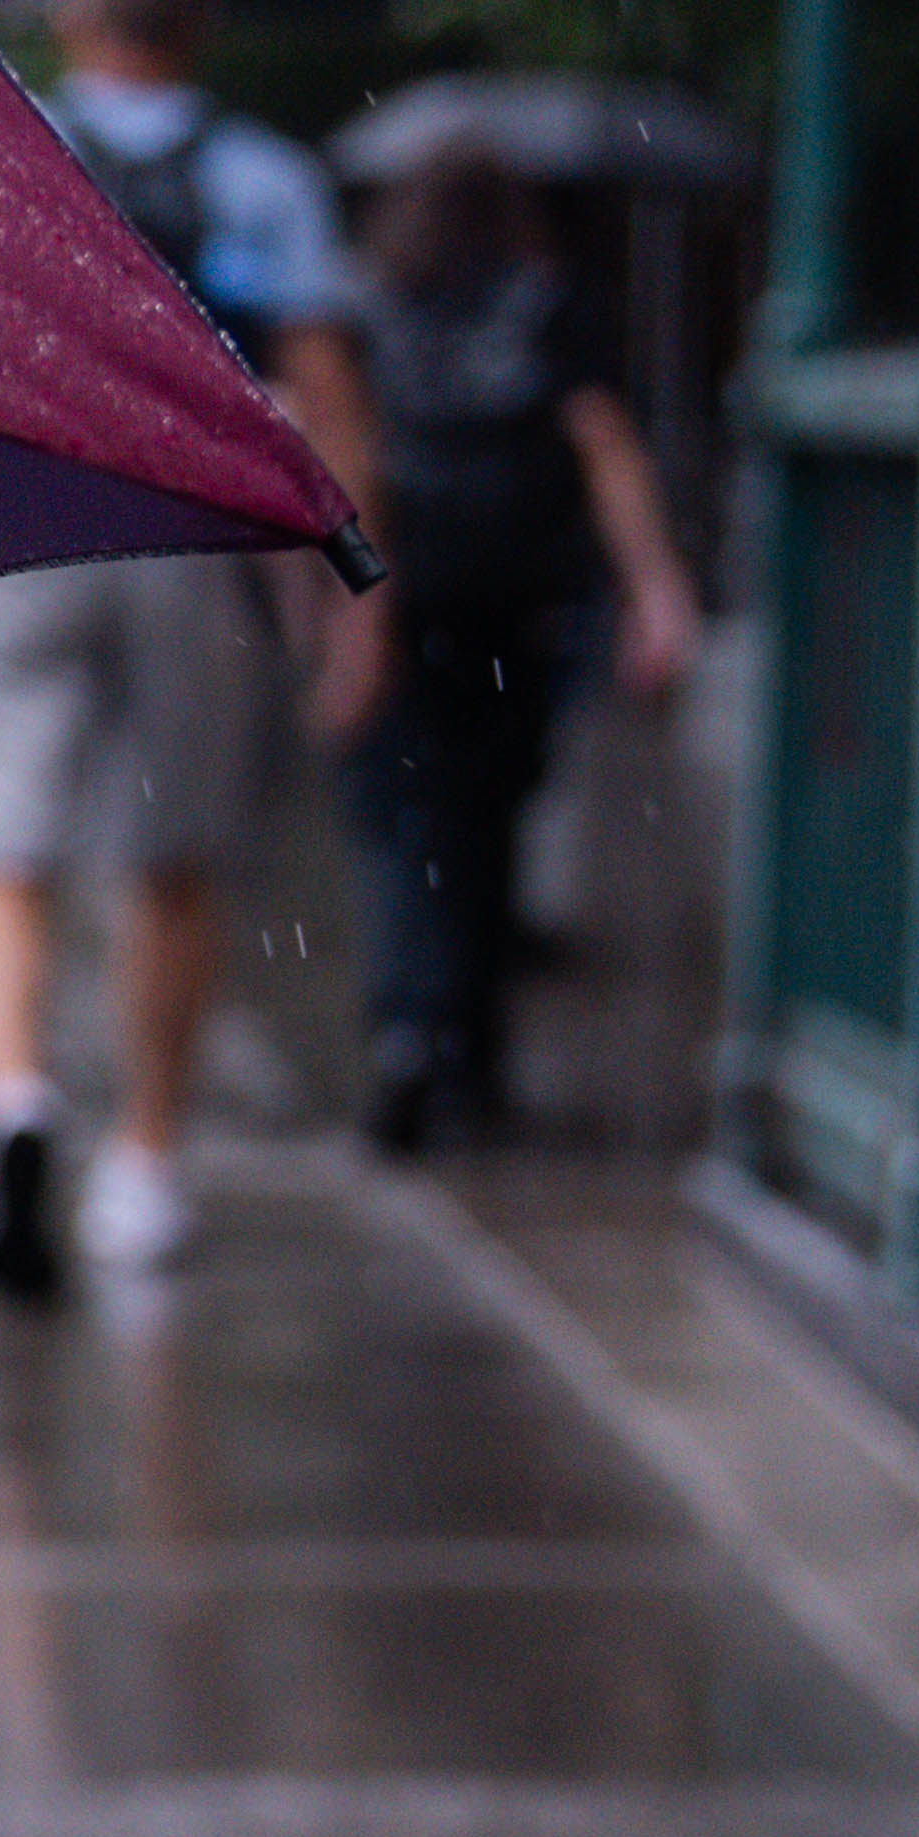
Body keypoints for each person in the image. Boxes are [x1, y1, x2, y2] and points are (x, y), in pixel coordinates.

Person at [0, 0, 381, 1300]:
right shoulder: (260, 179)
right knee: (168, 857)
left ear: (71, 28)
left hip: (19, 523)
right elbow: (325, 391)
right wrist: (353, 595)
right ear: (199, 36)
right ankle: (144, 1162)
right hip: (188, 531)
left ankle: (8, 1097)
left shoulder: (4, 152)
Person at [336, 143, 702, 1149]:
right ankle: (466, 1045)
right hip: (520, 597)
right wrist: (656, 586)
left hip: (408, 587)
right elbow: (603, 442)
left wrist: (349, 606)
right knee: (488, 817)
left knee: (410, 818)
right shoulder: (548, 302)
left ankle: (411, 1025)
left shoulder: (379, 305)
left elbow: (350, 449)